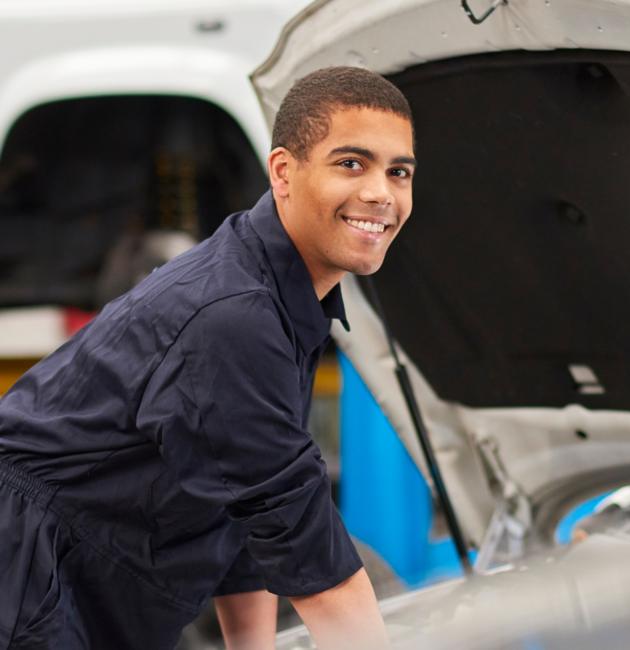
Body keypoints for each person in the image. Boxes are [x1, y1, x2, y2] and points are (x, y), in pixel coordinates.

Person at [0, 66, 416, 650]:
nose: (381, 192)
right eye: (352, 163)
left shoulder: (282, 293)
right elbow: (305, 546)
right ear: (283, 172)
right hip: (23, 569)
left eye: (399, 172)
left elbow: (248, 512)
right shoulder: (235, 313)